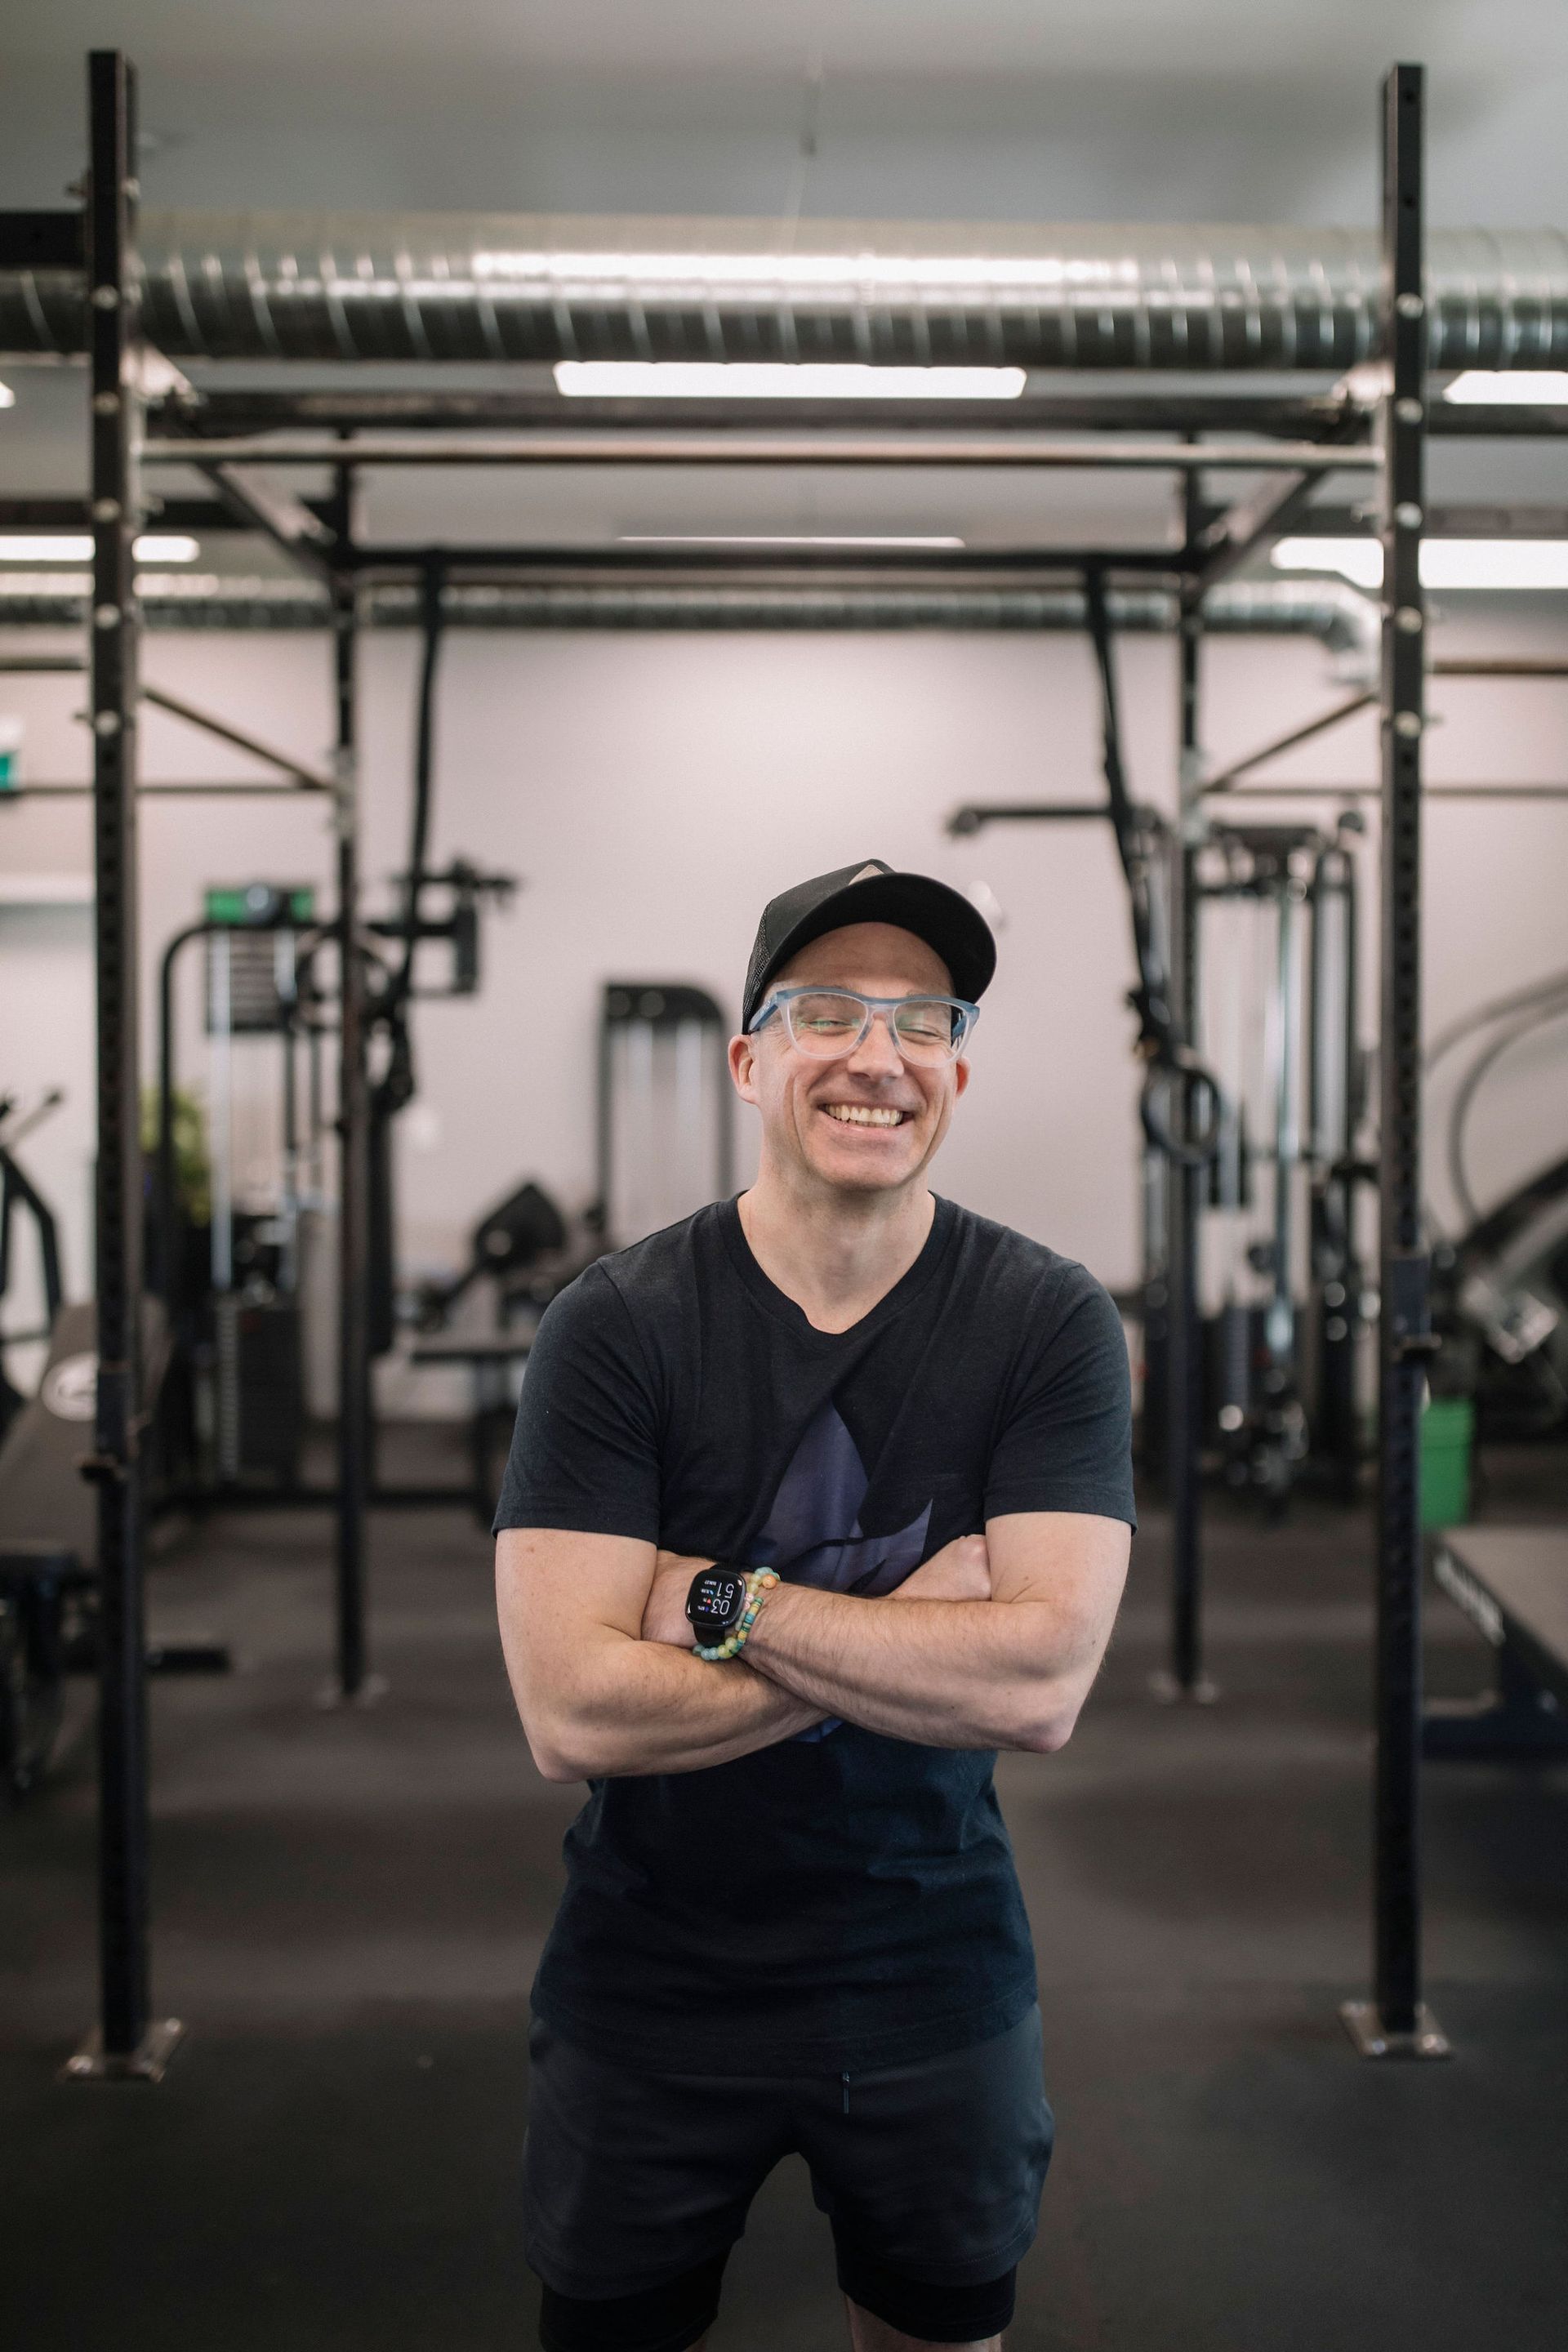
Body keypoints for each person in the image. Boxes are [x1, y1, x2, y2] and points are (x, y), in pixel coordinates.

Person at [495, 857, 1135, 2352]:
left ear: (956, 1074)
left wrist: (712, 1598)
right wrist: (918, 1628)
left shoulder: (1046, 1320)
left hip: (932, 1969)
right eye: (829, 1010)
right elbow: (570, 1707)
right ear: (752, 1059)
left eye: (923, 1021)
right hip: (651, 1979)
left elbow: (1038, 1687)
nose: (877, 1055)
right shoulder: (616, 1327)